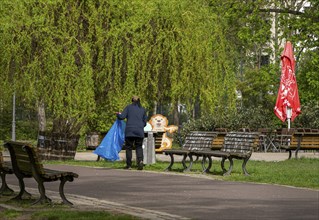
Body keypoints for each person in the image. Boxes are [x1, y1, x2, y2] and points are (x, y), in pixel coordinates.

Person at [116, 96, 147, 170]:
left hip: (129, 131)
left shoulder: (128, 107)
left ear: (132, 101)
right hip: (139, 131)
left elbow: (122, 117)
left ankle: (129, 165)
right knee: (139, 147)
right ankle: (140, 161)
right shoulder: (143, 109)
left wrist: (118, 114)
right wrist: (140, 126)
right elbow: (145, 123)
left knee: (129, 148)